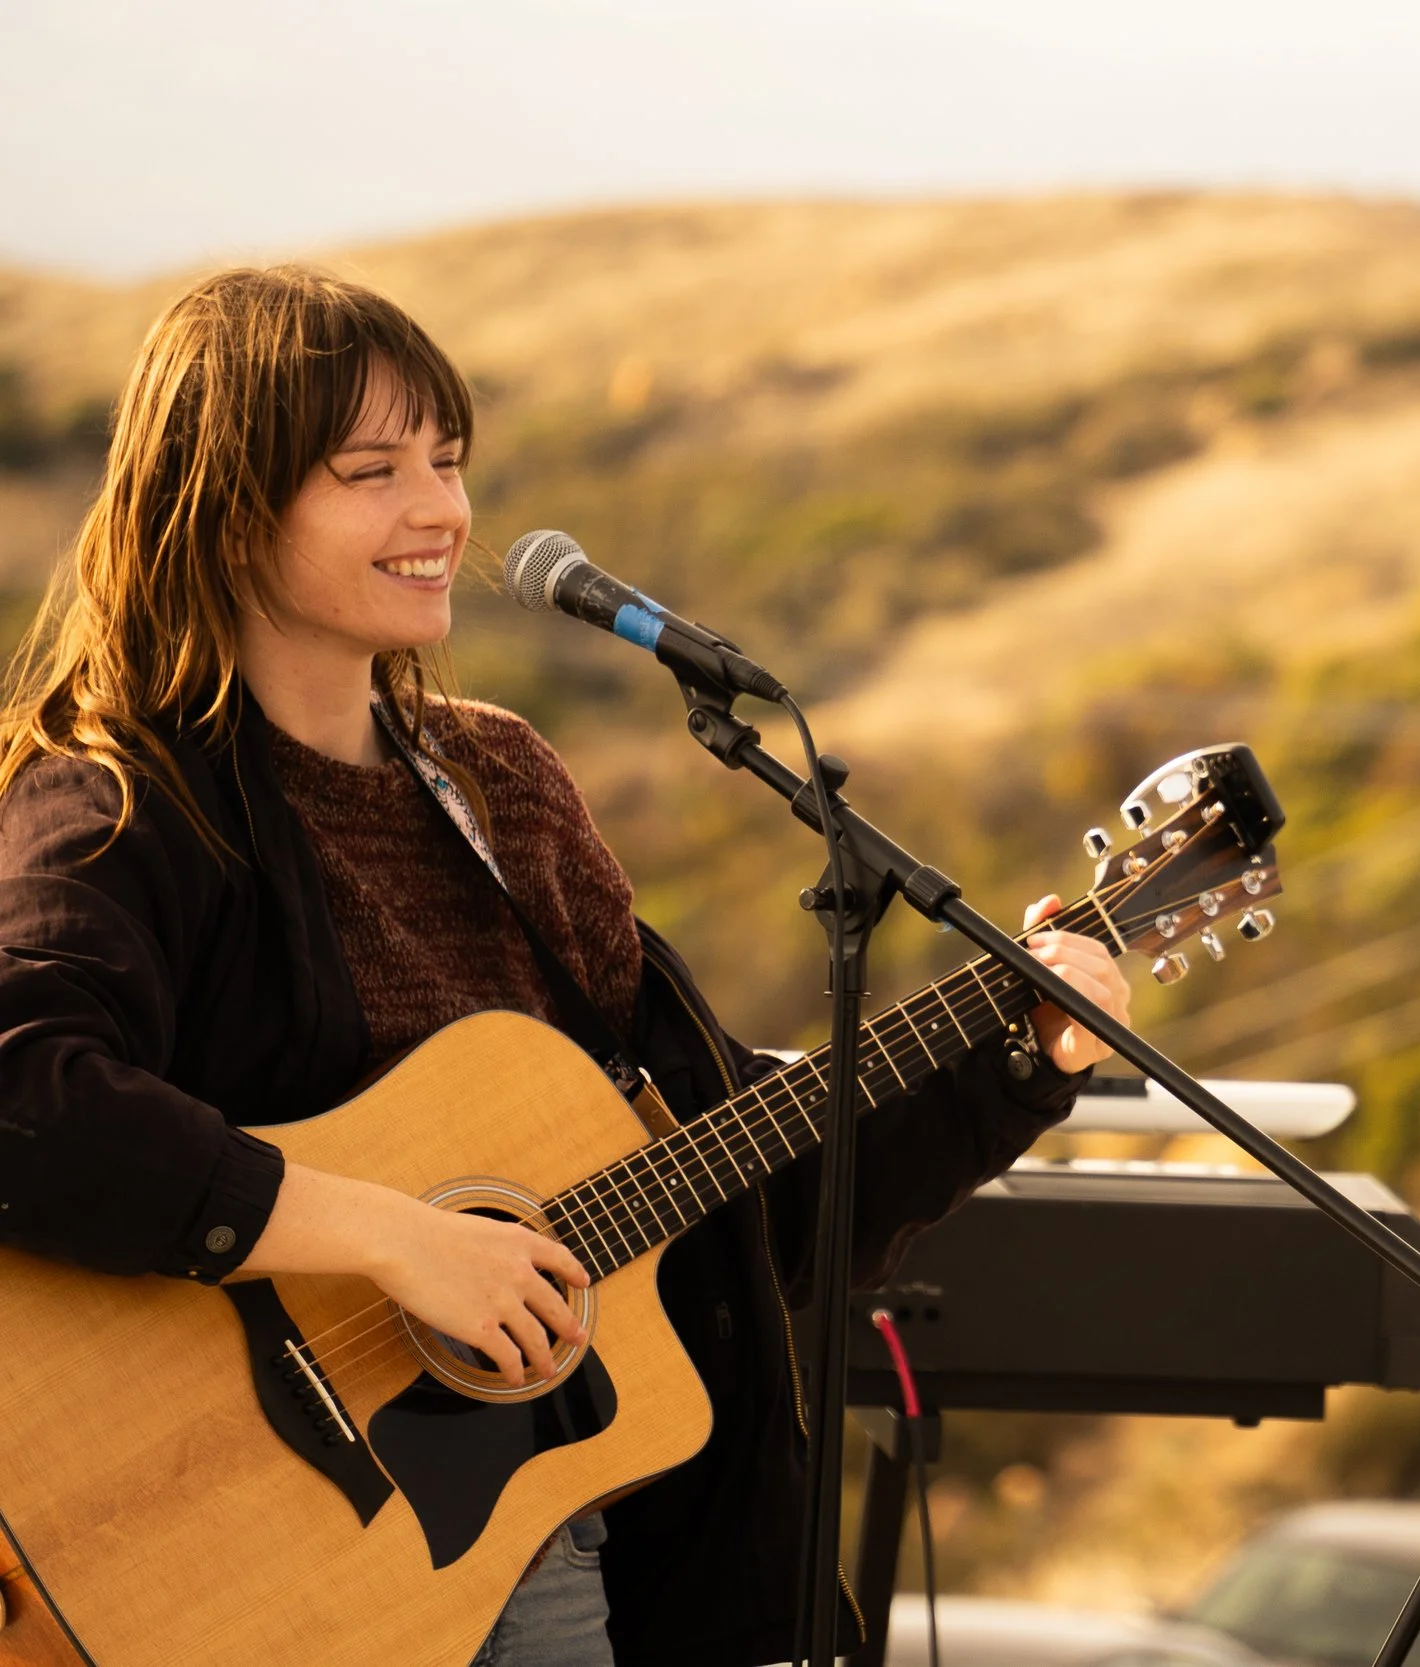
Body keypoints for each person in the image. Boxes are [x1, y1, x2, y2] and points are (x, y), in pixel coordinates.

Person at [0, 265, 1133, 1667]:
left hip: (535, 1543)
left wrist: (1024, 1058)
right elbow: (26, 1096)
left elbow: (735, 1215)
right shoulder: (121, 800)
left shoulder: (503, 790)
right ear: (228, 510)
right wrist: (403, 1239)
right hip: (236, 1570)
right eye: (372, 471)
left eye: (449, 460)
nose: (441, 513)